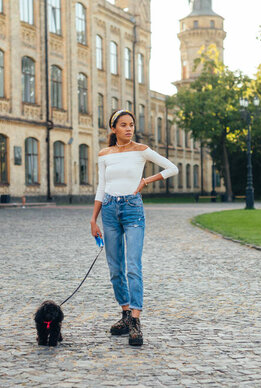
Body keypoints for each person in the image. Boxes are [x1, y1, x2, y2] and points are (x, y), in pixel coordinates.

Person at [90, 109, 179, 346]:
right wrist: (93, 219)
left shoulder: (141, 150)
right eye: (123, 125)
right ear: (113, 129)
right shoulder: (104, 154)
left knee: (132, 265)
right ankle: (126, 314)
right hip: (108, 210)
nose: (129, 129)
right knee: (115, 268)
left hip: (132, 210)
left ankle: (136, 321)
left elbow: (172, 168)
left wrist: (146, 181)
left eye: (131, 125)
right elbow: (101, 186)